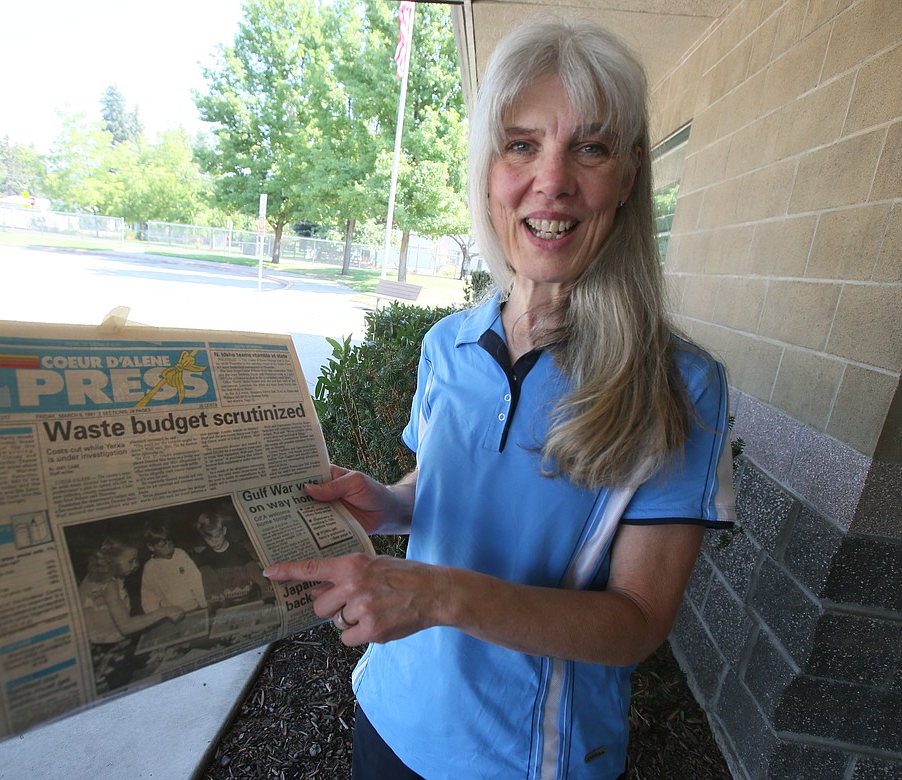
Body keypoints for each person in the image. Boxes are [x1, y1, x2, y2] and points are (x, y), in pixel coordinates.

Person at [266, 18, 736, 780]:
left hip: (521, 760)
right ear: (488, 172)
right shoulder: (446, 343)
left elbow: (636, 624)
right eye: (522, 145)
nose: (552, 180)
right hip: (389, 707)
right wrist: (385, 503)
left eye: (591, 147)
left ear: (629, 174)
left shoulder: (679, 383)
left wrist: (439, 594)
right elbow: (444, 490)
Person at [78, 535, 184, 691]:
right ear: (112, 561)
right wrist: (165, 611)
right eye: (131, 561)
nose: (136, 565)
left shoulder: (105, 577)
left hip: (110, 640)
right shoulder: (109, 585)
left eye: (137, 559)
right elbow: (126, 626)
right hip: (102, 650)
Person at [191, 503, 271, 609]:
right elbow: (209, 582)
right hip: (225, 603)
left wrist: (264, 587)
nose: (214, 542)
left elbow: (254, 570)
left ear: (224, 531)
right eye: (209, 539)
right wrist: (215, 599)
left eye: (217, 536)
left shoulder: (239, 549)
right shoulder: (205, 556)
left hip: (248, 598)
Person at [141, 518, 207, 613]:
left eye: (170, 543)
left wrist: (204, 605)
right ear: (151, 547)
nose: (168, 548)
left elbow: (196, 581)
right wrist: (157, 618)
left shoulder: (181, 555)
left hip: (194, 608)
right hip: (171, 615)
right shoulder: (150, 568)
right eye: (162, 546)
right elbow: (149, 600)